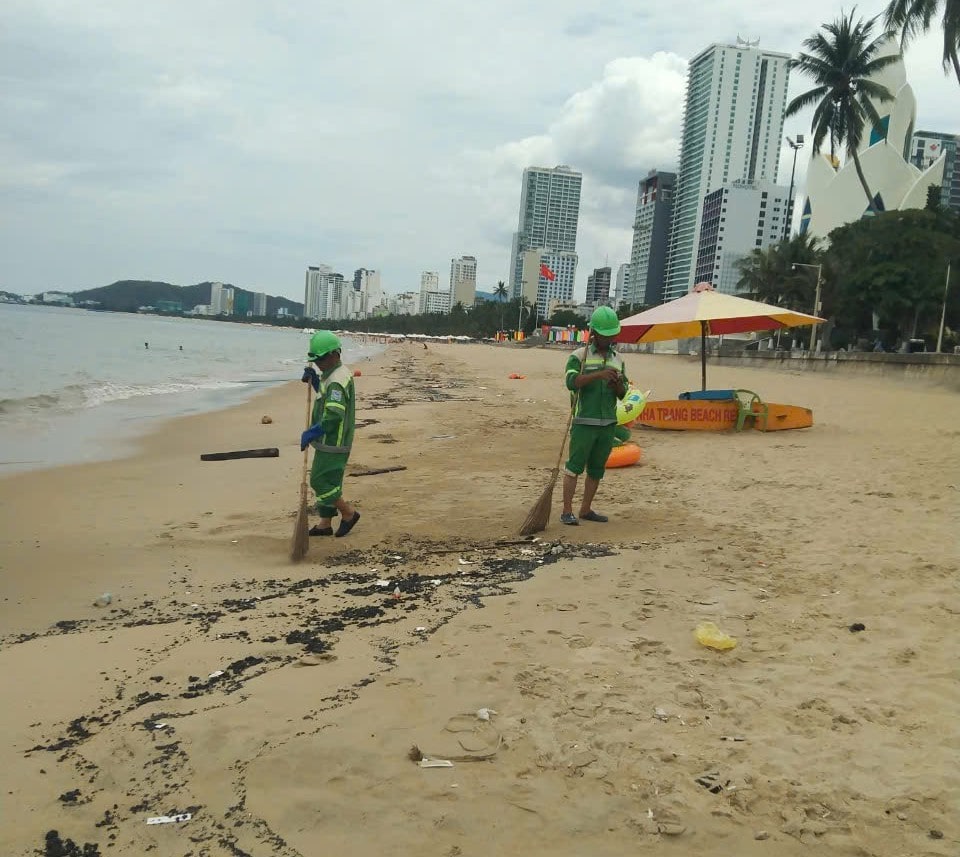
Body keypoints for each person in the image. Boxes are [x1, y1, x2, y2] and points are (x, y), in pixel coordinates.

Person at [560, 306, 629, 526]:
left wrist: (617, 384)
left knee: (597, 469)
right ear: (594, 333)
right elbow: (572, 382)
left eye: (612, 336)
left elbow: (623, 393)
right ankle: (567, 510)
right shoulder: (578, 357)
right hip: (584, 422)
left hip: (607, 423)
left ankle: (586, 509)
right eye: (605, 335)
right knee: (574, 468)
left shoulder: (618, 359)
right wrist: (598, 375)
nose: (609, 340)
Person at [299, 331, 360, 538]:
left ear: (335, 354)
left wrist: (312, 432)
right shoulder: (333, 374)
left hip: (334, 440)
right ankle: (325, 523)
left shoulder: (337, 380)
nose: (319, 364)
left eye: (322, 359)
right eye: (315, 360)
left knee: (320, 481)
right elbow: (325, 398)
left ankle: (348, 513)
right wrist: (315, 381)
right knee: (331, 480)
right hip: (329, 440)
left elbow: (334, 414)